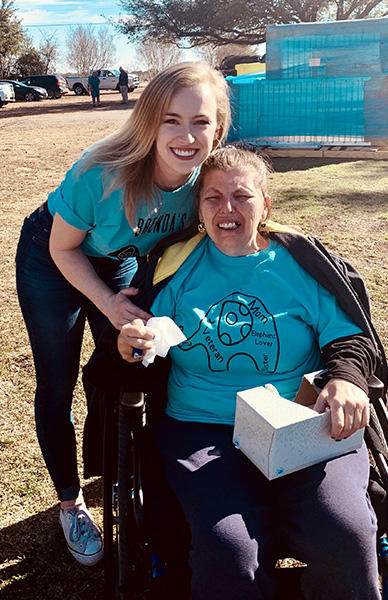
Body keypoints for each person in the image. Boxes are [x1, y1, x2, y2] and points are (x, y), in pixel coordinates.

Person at [116, 146, 381, 599]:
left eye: (242, 196)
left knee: (344, 534)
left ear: (265, 205)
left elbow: (351, 337)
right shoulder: (175, 268)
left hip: (302, 423)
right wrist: (130, 347)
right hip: (203, 429)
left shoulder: (300, 264)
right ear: (199, 209)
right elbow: (141, 348)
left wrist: (347, 377)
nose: (228, 208)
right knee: (229, 553)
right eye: (213, 198)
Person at [15, 62, 231, 566]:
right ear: (148, 120)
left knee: (127, 363)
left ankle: (118, 472)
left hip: (119, 256)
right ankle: (71, 501)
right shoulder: (102, 171)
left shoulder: (208, 177)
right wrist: (108, 302)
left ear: (218, 127)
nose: (185, 136)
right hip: (53, 253)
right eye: (170, 120)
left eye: (200, 121)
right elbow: (64, 249)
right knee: (57, 378)